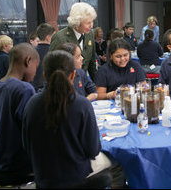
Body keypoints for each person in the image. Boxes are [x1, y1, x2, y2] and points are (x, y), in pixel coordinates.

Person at [22, 50, 112, 188]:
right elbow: (93, 150)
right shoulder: (82, 105)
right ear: (74, 74)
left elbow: (26, 146)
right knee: (115, 164)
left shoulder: (31, 103)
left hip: (43, 179)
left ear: (44, 75)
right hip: (77, 179)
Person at [0, 43, 39, 179]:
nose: (35, 73)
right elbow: (32, 130)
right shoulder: (25, 89)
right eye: (36, 67)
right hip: (16, 162)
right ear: (28, 61)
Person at [50, 2, 97, 82]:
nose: (91, 26)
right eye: (88, 23)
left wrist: (96, 84)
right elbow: (52, 66)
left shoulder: (90, 34)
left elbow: (92, 62)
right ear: (77, 22)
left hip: (82, 83)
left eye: (92, 22)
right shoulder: (60, 38)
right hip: (65, 84)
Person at [30, 23, 56, 91]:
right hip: (49, 88)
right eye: (53, 36)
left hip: (32, 87)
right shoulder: (54, 52)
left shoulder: (30, 52)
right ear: (48, 37)